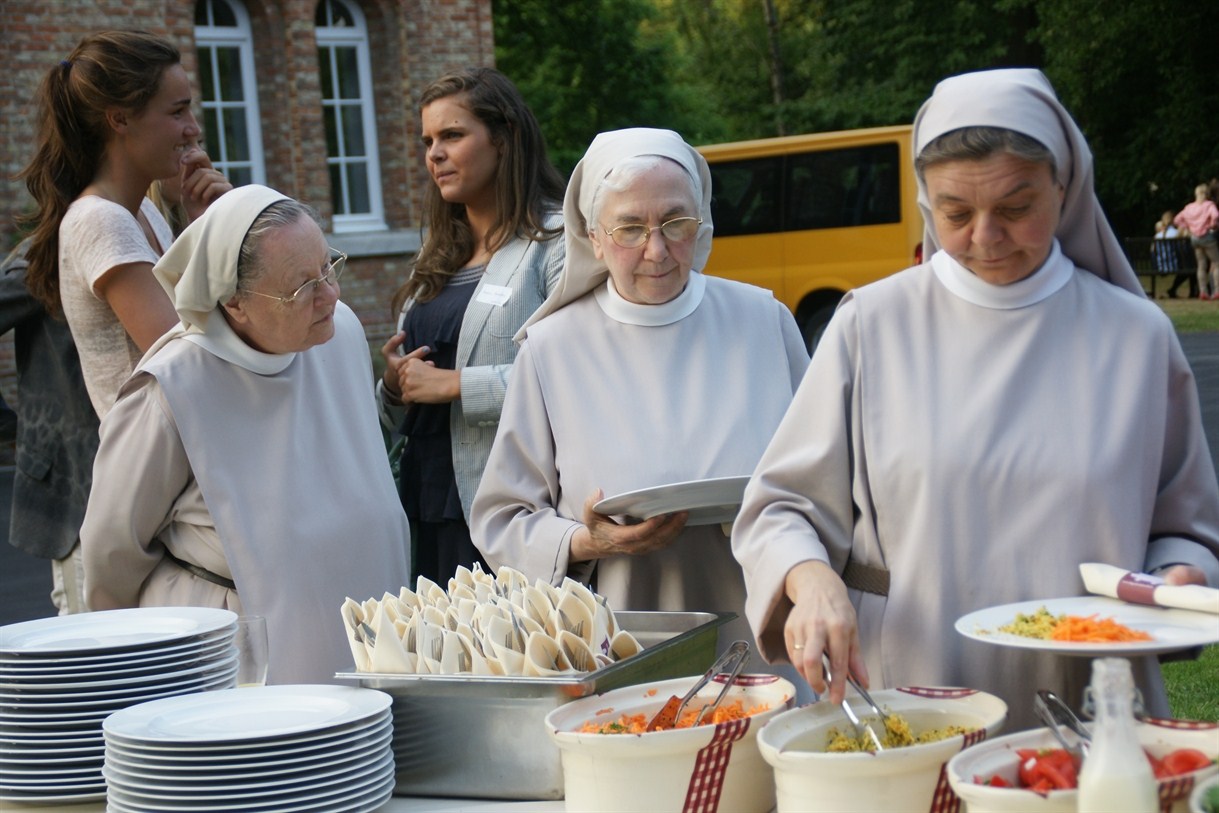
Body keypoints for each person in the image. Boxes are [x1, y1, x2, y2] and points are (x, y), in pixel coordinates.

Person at [731, 69, 1219, 731]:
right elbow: (780, 507)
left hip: (1093, 701)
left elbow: (1184, 528)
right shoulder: (870, 326)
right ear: (925, 201)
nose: (986, 237)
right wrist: (808, 577)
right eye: (955, 213)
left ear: (1064, 187)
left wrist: (1180, 574)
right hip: (915, 696)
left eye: (1016, 208)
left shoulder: (1136, 337)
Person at [471, 128, 810, 673]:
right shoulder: (552, 348)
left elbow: (825, 475)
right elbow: (503, 518)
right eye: (630, 228)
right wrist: (586, 541)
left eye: (676, 222)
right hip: (621, 634)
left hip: (762, 625)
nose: (656, 249)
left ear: (701, 222)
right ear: (593, 237)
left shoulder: (764, 321)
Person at [80, 185, 411, 684]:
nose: (330, 294)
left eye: (329, 267)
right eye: (303, 287)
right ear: (234, 303)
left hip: (370, 630)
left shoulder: (338, 330)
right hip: (239, 653)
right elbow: (111, 549)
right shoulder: (174, 385)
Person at [377, 67, 566, 584]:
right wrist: (394, 385)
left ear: (503, 139)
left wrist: (456, 385)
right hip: (424, 498)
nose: (434, 154)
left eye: (452, 135)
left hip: (509, 507)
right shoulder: (436, 256)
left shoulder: (555, 243)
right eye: (428, 141)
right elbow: (406, 397)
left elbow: (574, 379)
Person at [18, 30, 231, 421]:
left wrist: (205, 225)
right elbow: (189, 363)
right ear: (119, 119)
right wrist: (223, 236)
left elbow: (201, 318)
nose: (193, 128)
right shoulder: (102, 221)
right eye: (177, 112)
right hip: (158, 455)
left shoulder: (143, 211)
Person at [0, 242, 100, 615]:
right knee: (92, 635)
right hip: (77, 487)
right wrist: (15, 428)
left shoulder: (151, 229)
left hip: (137, 478)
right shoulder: (49, 255)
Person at [1174, 184, 1219, 300]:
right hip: (1206, 237)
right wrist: (1212, 225)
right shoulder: (1209, 205)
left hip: (1195, 238)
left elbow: (1177, 219)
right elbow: (1215, 215)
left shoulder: (1189, 207)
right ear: (1207, 194)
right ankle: (1217, 291)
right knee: (1216, 262)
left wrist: (1188, 227)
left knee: (1201, 265)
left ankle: (1203, 291)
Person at [1156, 209, 1196, 299]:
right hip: (1173, 264)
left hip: (1161, 265)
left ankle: (1173, 290)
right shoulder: (1175, 233)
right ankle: (1192, 292)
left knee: (1189, 267)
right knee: (1191, 268)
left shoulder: (1158, 235)